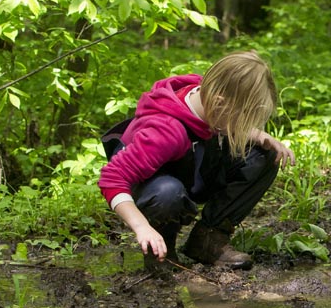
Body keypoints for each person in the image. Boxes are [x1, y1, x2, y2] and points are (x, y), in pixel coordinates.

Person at [98, 50, 295, 269]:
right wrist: (142, 227)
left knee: (264, 154)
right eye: (242, 119)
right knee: (167, 192)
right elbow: (111, 179)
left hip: (192, 166)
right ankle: (161, 250)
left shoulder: (206, 96)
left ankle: (208, 239)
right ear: (220, 103)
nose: (244, 126)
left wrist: (259, 135)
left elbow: (218, 123)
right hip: (153, 188)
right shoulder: (165, 131)